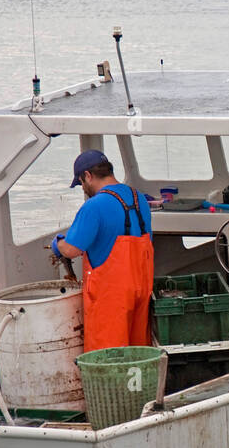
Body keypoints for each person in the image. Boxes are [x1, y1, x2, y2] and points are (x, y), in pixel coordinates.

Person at [50, 149, 154, 353]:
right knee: (138, 353)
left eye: (81, 183)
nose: (83, 189)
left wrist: (57, 244)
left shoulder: (94, 206)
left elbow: (72, 249)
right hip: (141, 291)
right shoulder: (139, 198)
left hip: (111, 299)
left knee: (108, 359)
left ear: (88, 176)